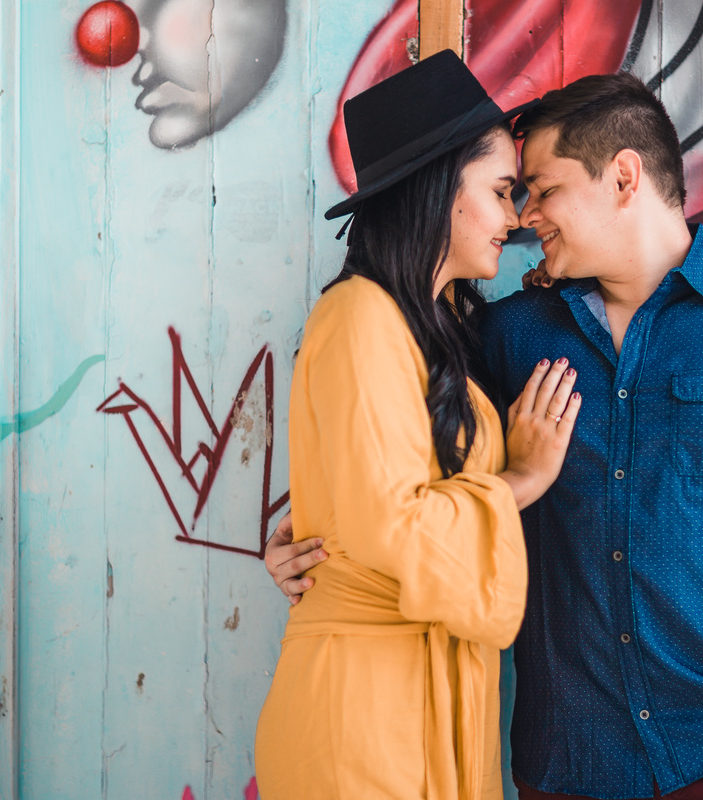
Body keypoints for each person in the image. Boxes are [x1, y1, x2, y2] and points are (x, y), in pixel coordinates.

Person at [270, 72, 703, 800]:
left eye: (542, 189)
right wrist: (314, 540)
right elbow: (408, 456)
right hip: (574, 765)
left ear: (624, 177)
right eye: (516, 192)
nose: (523, 216)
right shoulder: (504, 336)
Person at [254, 50, 583, 800]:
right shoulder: (358, 315)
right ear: (439, 187)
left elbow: (367, 509)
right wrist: (522, 480)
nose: (513, 217)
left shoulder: (438, 333)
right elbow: (386, 525)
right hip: (364, 715)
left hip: (423, 697)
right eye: (501, 191)